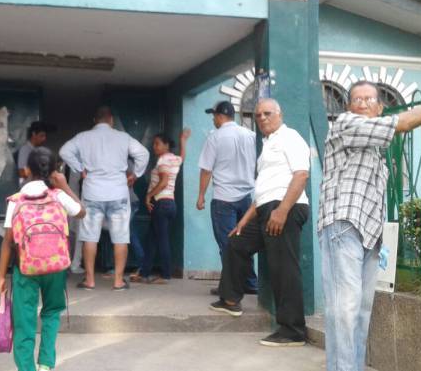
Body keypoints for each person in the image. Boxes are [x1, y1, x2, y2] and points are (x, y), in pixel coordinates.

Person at [318, 82, 421, 371]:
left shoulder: (377, 154)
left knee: (360, 312)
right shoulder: (346, 124)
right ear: (348, 108)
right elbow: (404, 123)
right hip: (343, 228)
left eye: (369, 99)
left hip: (369, 238)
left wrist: (381, 241)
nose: (361, 103)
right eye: (356, 99)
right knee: (343, 311)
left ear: (379, 107)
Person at [210, 98, 311, 347]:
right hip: (265, 208)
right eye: (258, 115)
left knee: (283, 268)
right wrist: (243, 221)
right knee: (236, 242)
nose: (262, 118)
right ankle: (230, 300)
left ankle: (293, 330)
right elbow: (261, 192)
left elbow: (301, 174)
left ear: (279, 114)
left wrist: (282, 210)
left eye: (267, 113)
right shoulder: (267, 145)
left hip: (285, 207)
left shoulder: (291, 137)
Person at [0, 147, 85, 371]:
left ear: (27, 169)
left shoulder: (16, 200)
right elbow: (81, 212)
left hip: (25, 268)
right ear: (55, 170)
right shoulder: (59, 195)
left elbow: (8, 241)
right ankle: (45, 364)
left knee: (24, 321)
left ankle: (27, 368)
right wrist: (64, 185)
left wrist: (0, 277)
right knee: (51, 313)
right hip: (56, 267)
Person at [59, 106, 150, 291]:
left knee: (90, 237)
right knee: (120, 238)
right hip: (118, 192)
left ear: (95, 120)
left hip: (93, 192)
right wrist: (136, 174)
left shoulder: (83, 137)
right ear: (111, 120)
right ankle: (118, 281)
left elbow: (64, 151)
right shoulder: (123, 138)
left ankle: (90, 280)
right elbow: (144, 154)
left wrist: (79, 168)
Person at [196, 101, 258, 295]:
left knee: (227, 245)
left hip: (224, 199)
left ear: (220, 116)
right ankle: (250, 283)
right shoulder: (251, 135)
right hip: (247, 199)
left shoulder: (215, 137)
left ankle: (231, 288)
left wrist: (201, 196)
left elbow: (206, 170)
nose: (213, 119)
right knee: (245, 243)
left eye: (214, 115)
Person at [132, 129, 190, 284]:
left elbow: (163, 181)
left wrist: (149, 196)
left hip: (161, 204)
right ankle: (144, 273)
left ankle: (165, 275)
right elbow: (183, 156)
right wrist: (183, 139)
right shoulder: (174, 159)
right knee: (151, 239)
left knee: (162, 240)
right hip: (170, 204)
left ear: (166, 146)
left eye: (157, 144)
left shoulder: (163, 160)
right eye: (154, 144)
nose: (154, 147)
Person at [17, 121, 55, 185]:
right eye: (41, 136)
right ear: (34, 134)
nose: (44, 139)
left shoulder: (37, 149)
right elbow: (21, 172)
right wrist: (36, 171)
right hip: (29, 187)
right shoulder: (25, 150)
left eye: (45, 136)